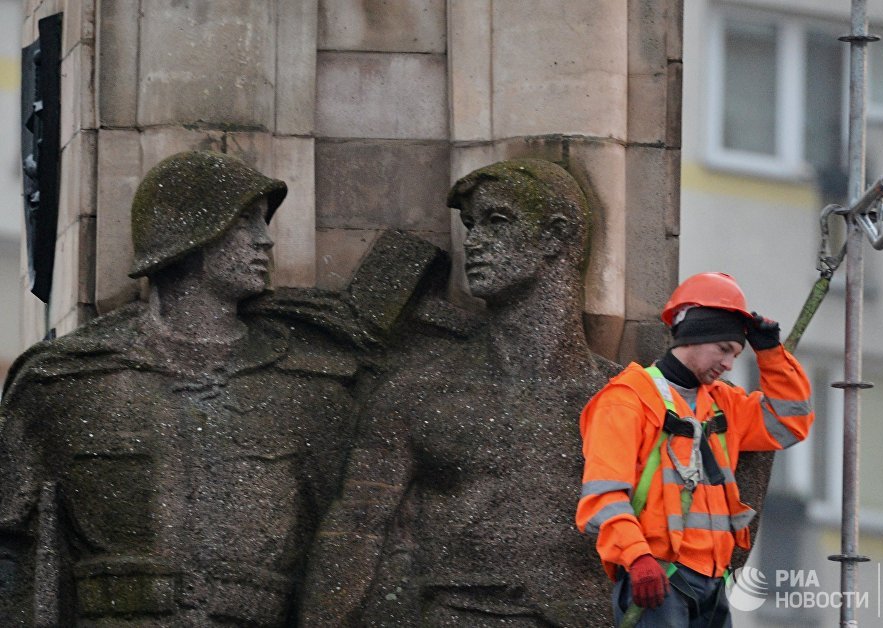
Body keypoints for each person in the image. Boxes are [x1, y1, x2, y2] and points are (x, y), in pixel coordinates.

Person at [0, 151, 359, 626]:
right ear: (190, 238)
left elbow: (350, 547)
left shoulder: (309, 388)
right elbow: (19, 558)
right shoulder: (64, 382)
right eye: (245, 223)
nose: (265, 242)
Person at [302, 159, 613, 626]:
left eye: (497, 221)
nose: (475, 241)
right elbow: (353, 533)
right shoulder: (417, 393)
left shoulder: (629, 398)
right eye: (470, 225)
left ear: (555, 236)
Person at [575, 272, 815, 627]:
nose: (729, 364)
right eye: (724, 350)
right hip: (657, 579)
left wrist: (771, 354)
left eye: (735, 354)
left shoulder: (723, 404)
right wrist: (637, 557)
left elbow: (791, 420)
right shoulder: (628, 400)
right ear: (695, 336)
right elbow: (603, 495)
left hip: (712, 584)